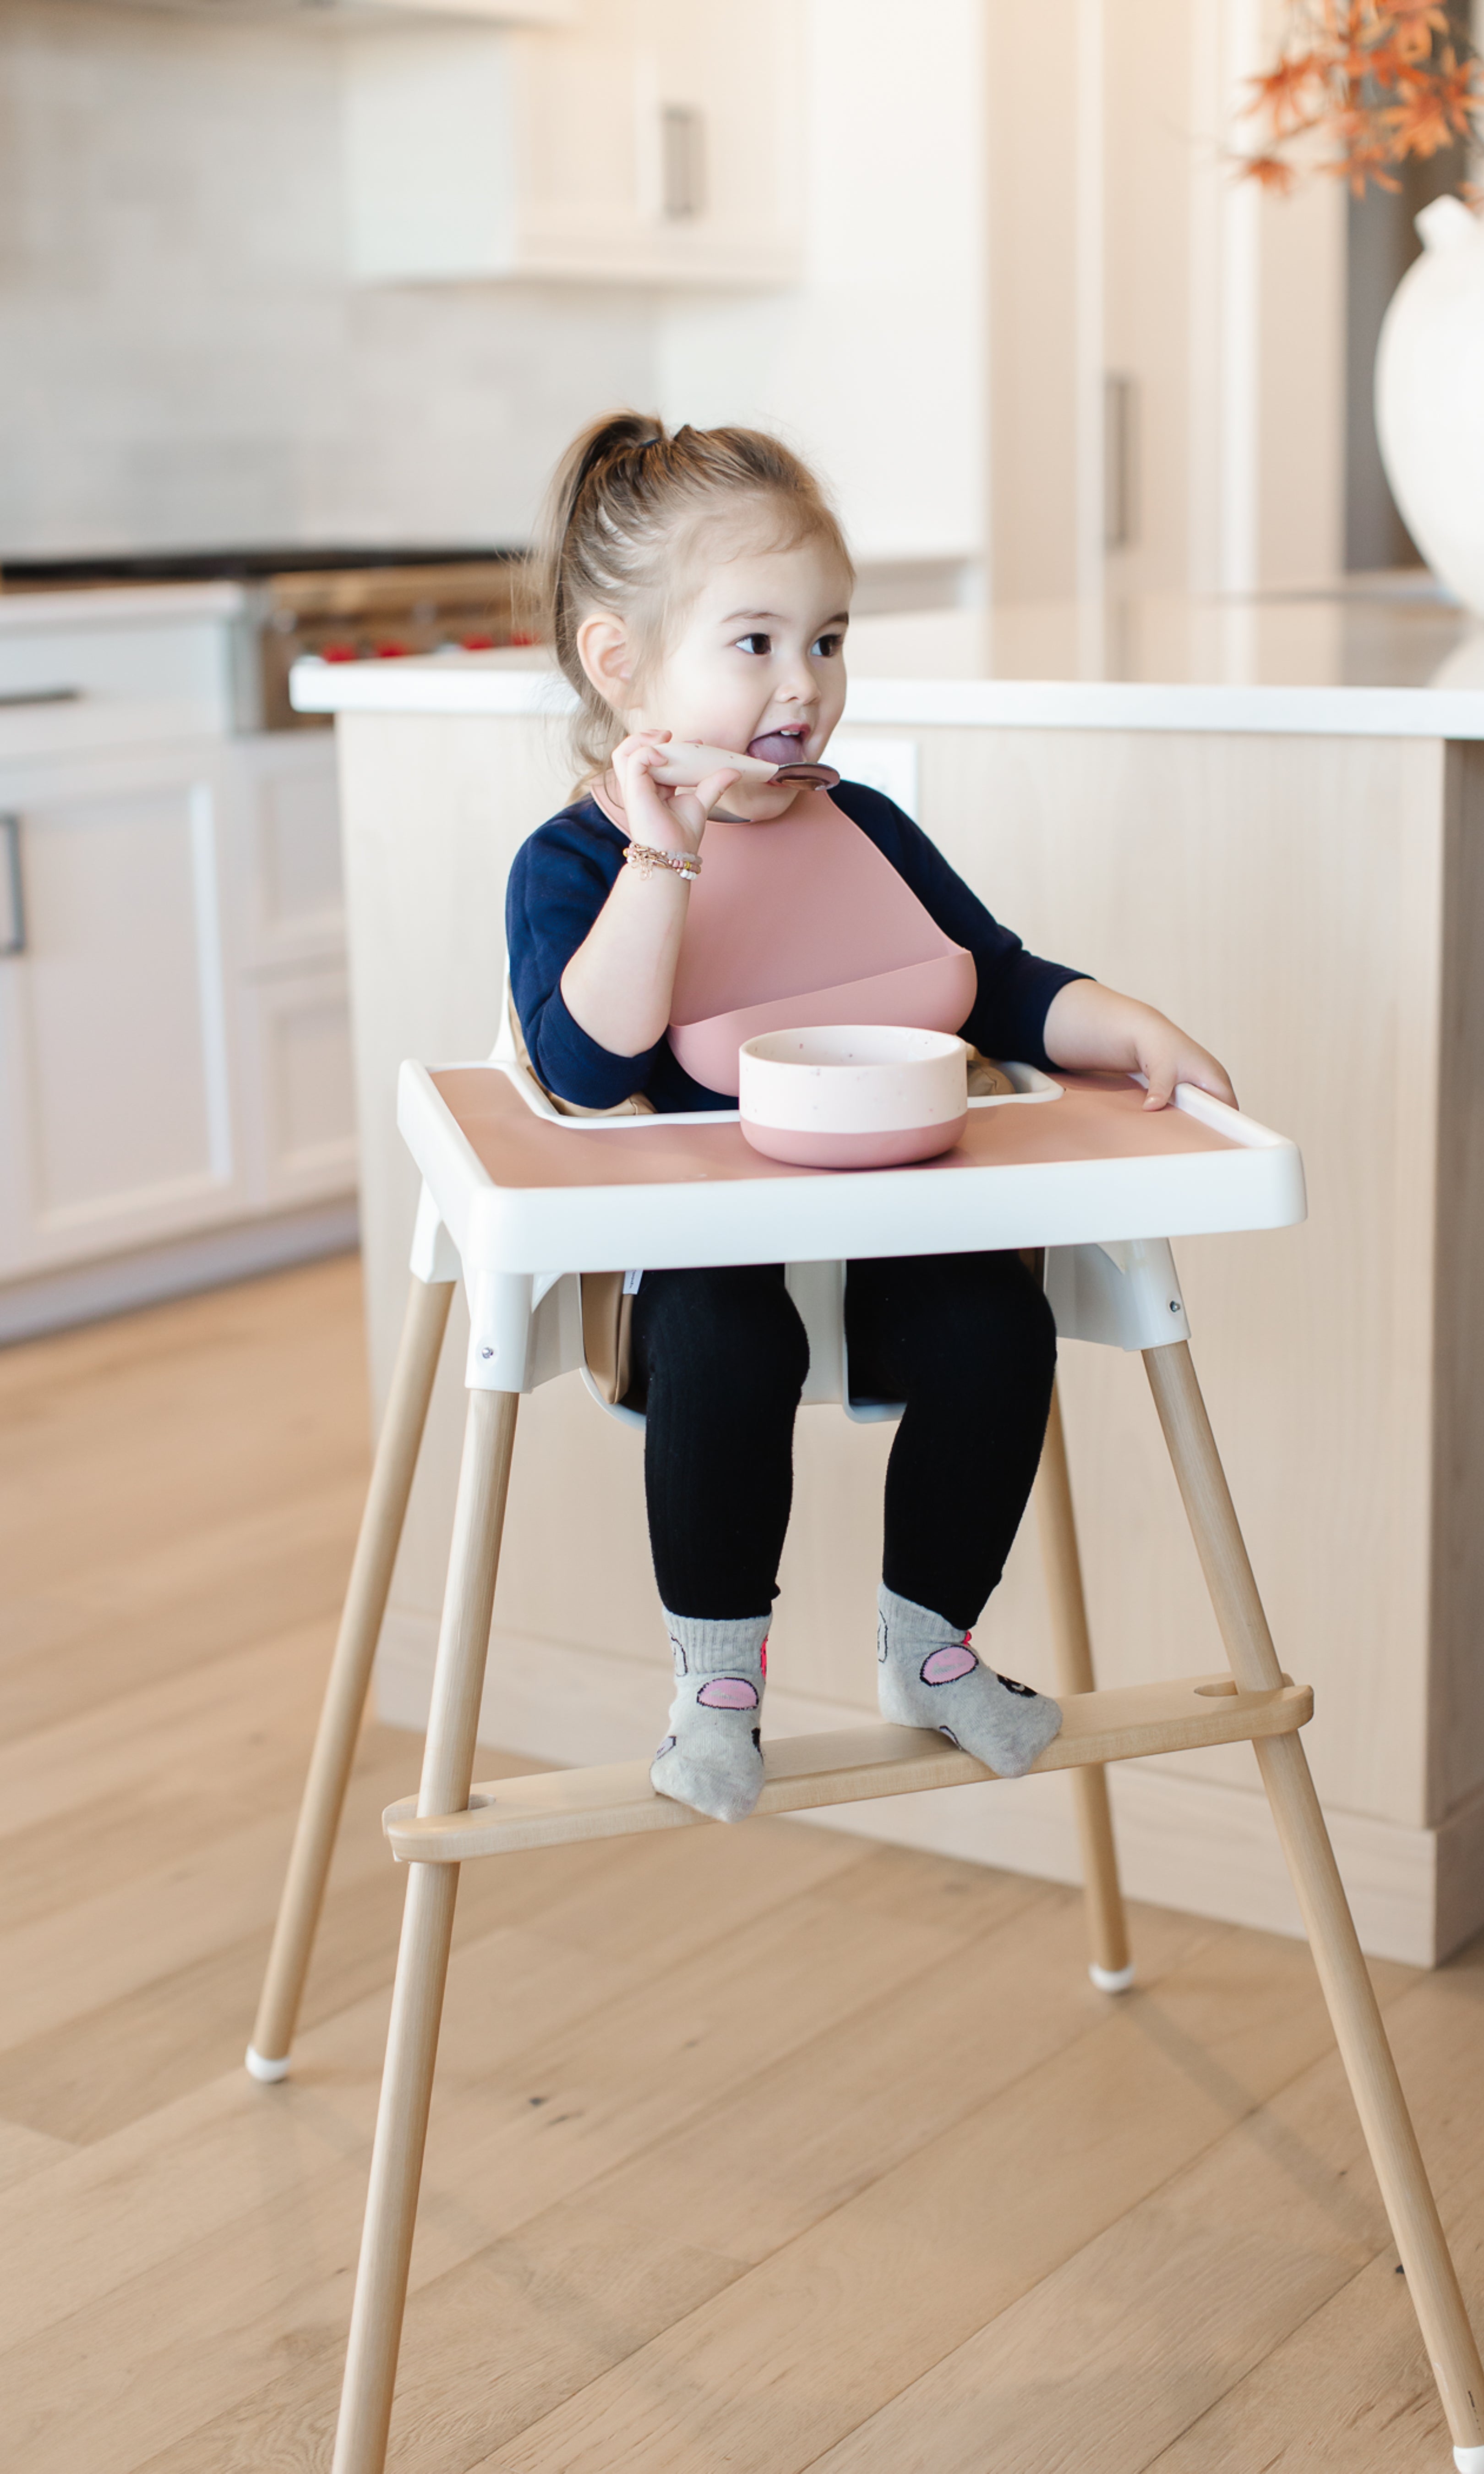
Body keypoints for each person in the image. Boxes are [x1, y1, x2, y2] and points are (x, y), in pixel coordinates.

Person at [507, 412, 1235, 1825]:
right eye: (756, 642)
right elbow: (587, 1073)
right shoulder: (577, 862)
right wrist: (668, 849)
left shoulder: (874, 828)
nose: (804, 684)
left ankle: (932, 1647)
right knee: (729, 1335)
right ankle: (717, 1689)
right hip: (706, 1266)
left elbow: (998, 986)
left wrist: (1123, 1023)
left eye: (829, 641)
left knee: (998, 1325)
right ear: (621, 663)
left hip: (903, 1231)